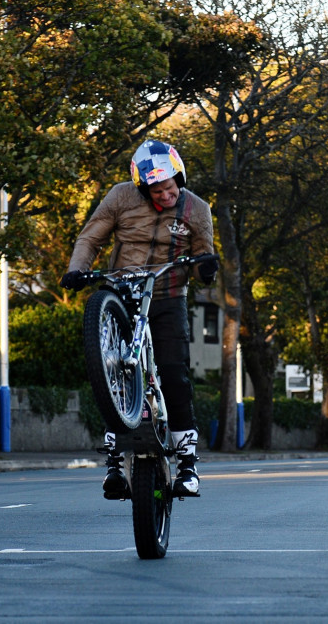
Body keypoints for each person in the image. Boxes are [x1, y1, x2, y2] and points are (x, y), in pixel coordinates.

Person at [61, 140, 216, 499]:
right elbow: (91, 236)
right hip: (122, 292)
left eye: (171, 185)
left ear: (180, 176)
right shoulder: (119, 198)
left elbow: (203, 253)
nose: (167, 194)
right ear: (142, 188)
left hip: (167, 297)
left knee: (175, 374)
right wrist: (76, 270)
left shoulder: (198, 209)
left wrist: (206, 267)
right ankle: (114, 462)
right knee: (112, 374)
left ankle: (188, 464)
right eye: (158, 190)